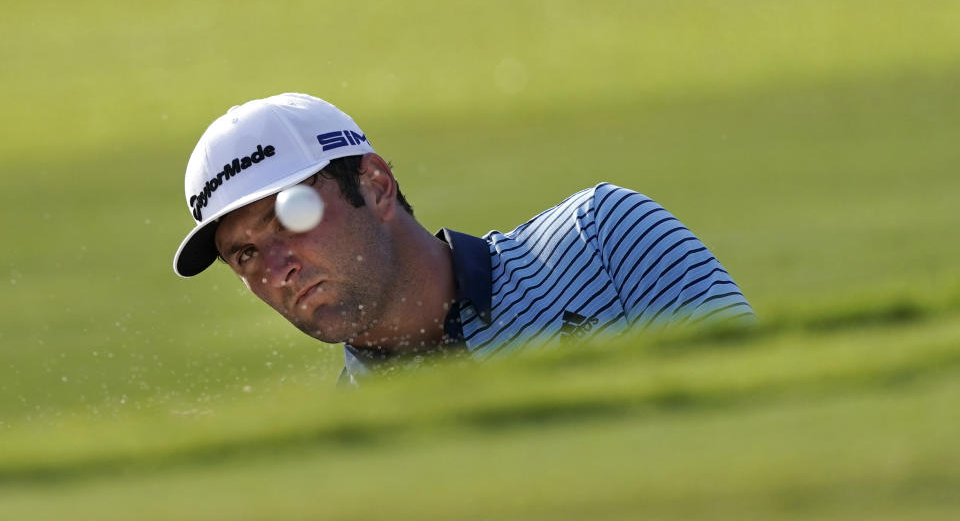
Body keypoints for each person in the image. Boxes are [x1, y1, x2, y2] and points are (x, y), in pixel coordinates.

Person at [173, 93, 753, 384]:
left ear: (375, 186)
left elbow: (767, 418)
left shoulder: (603, 237)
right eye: (243, 254)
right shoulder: (350, 453)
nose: (276, 267)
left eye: (290, 215)